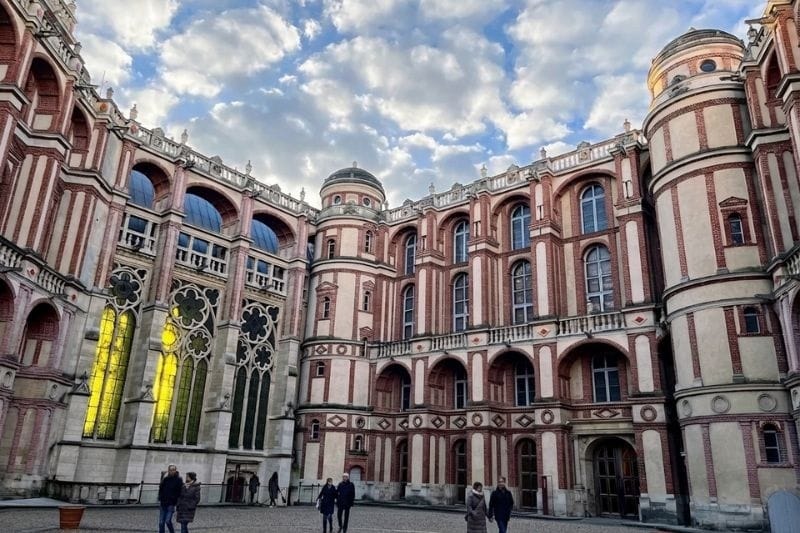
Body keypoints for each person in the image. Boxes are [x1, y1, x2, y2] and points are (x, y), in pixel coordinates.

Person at [158, 464, 183, 533]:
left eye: (173, 470)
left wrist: (175, 500)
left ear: (175, 470)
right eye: (171, 470)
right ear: (168, 471)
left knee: (168, 521)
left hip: (171, 504)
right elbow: (161, 488)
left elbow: (180, 492)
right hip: (163, 502)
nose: (172, 471)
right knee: (161, 522)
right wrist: (160, 497)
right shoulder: (166, 479)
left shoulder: (179, 480)